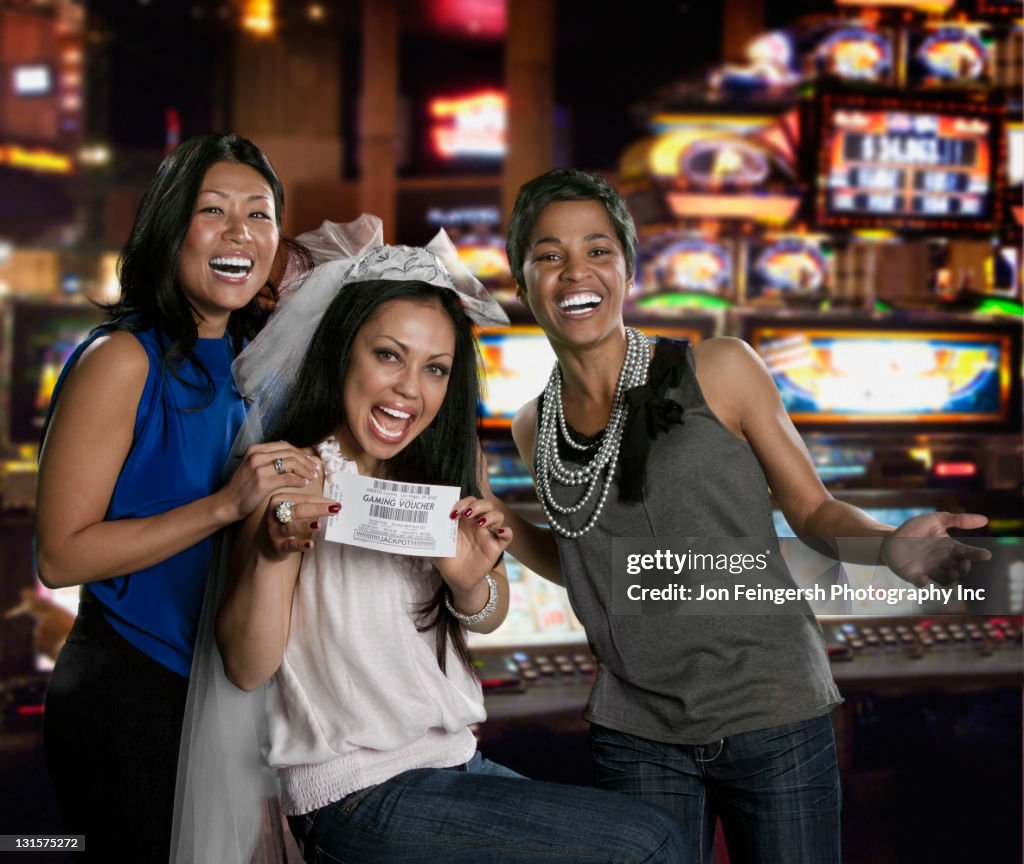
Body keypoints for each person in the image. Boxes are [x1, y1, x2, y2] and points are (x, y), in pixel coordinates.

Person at [493, 168, 991, 864]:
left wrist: (890, 549)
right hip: (636, 728)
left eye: (598, 249)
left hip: (773, 711)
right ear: (522, 281)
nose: (576, 270)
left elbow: (813, 508)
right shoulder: (531, 425)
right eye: (549, 253)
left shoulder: (721, 367)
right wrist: (497, 519)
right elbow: (581, 553)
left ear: (628, 271)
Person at [177, 221, 690, 864]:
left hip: (456, 764)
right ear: (342, 353)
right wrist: (277, 553)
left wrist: (471, 580)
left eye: (436, 368)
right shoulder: (289, 474)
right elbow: (247, 668)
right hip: (356, 794)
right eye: (389, 355)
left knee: (666, 832)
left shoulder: (447, 467)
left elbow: (490, 610)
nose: (410, 389)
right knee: (653, 842)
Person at [35, 132, 318, 862]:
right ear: (169, 227)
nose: (240, 234)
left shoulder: (257, 364)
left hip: (230, 687)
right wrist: (225, 505)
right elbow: (61, 556)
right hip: (132, 688)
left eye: (259, 215)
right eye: (213, 211)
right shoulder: (121, 359)